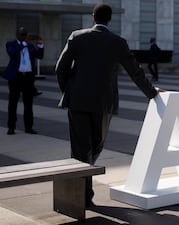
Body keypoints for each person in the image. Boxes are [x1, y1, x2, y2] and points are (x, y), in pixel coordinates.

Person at [55, 3, 162, 208]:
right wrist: (152, 93)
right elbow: (135, 71)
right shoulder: (118, 42)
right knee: (96, 146)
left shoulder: (77, 36)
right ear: (109, 19)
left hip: (78, 103)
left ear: (93, 16)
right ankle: (84, 195)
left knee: (80, 151)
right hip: (103, 104)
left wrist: (69, 91)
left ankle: (83, 190)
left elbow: (61, 68)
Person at [3, 27, 44, 135]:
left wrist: (40, 45)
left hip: (28, 77)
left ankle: (28, 127)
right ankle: (11, 127)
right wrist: (23, 44)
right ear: (17, 35)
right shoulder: (11, 44)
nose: (24, 36)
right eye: (22, 34)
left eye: (25, 34)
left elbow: (39, 56)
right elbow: (12, 53)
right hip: (16, 77)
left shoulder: (30, 46)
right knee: (13, 103)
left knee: (28, 104)